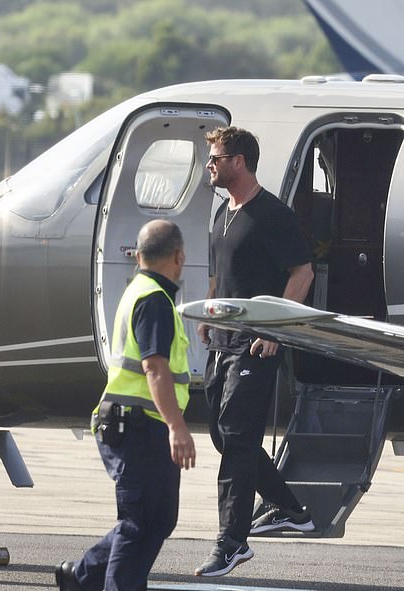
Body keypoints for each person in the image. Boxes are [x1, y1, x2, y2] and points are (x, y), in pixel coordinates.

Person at [194, 127, 316, 577]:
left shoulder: (272, 215)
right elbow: (219, 275)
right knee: (223, 435)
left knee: (238, 440)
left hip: (256, 346)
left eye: (216, 157)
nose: (210, 164)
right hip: (222, 342)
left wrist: (274, 329)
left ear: (240, 161)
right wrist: (208, 314)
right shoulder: (222, 213)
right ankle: (291, 510)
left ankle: (231, 543)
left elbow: (302, 273)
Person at [56, 219, 196, 591]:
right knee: (139, 523)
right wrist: (176, 426)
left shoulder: (144, 291)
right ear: (179, 257)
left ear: (139, 255)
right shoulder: (153, 299)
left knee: (158, 519)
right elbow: (154, 366)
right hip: (138, 426)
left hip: (139, 424)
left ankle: (81, 576)